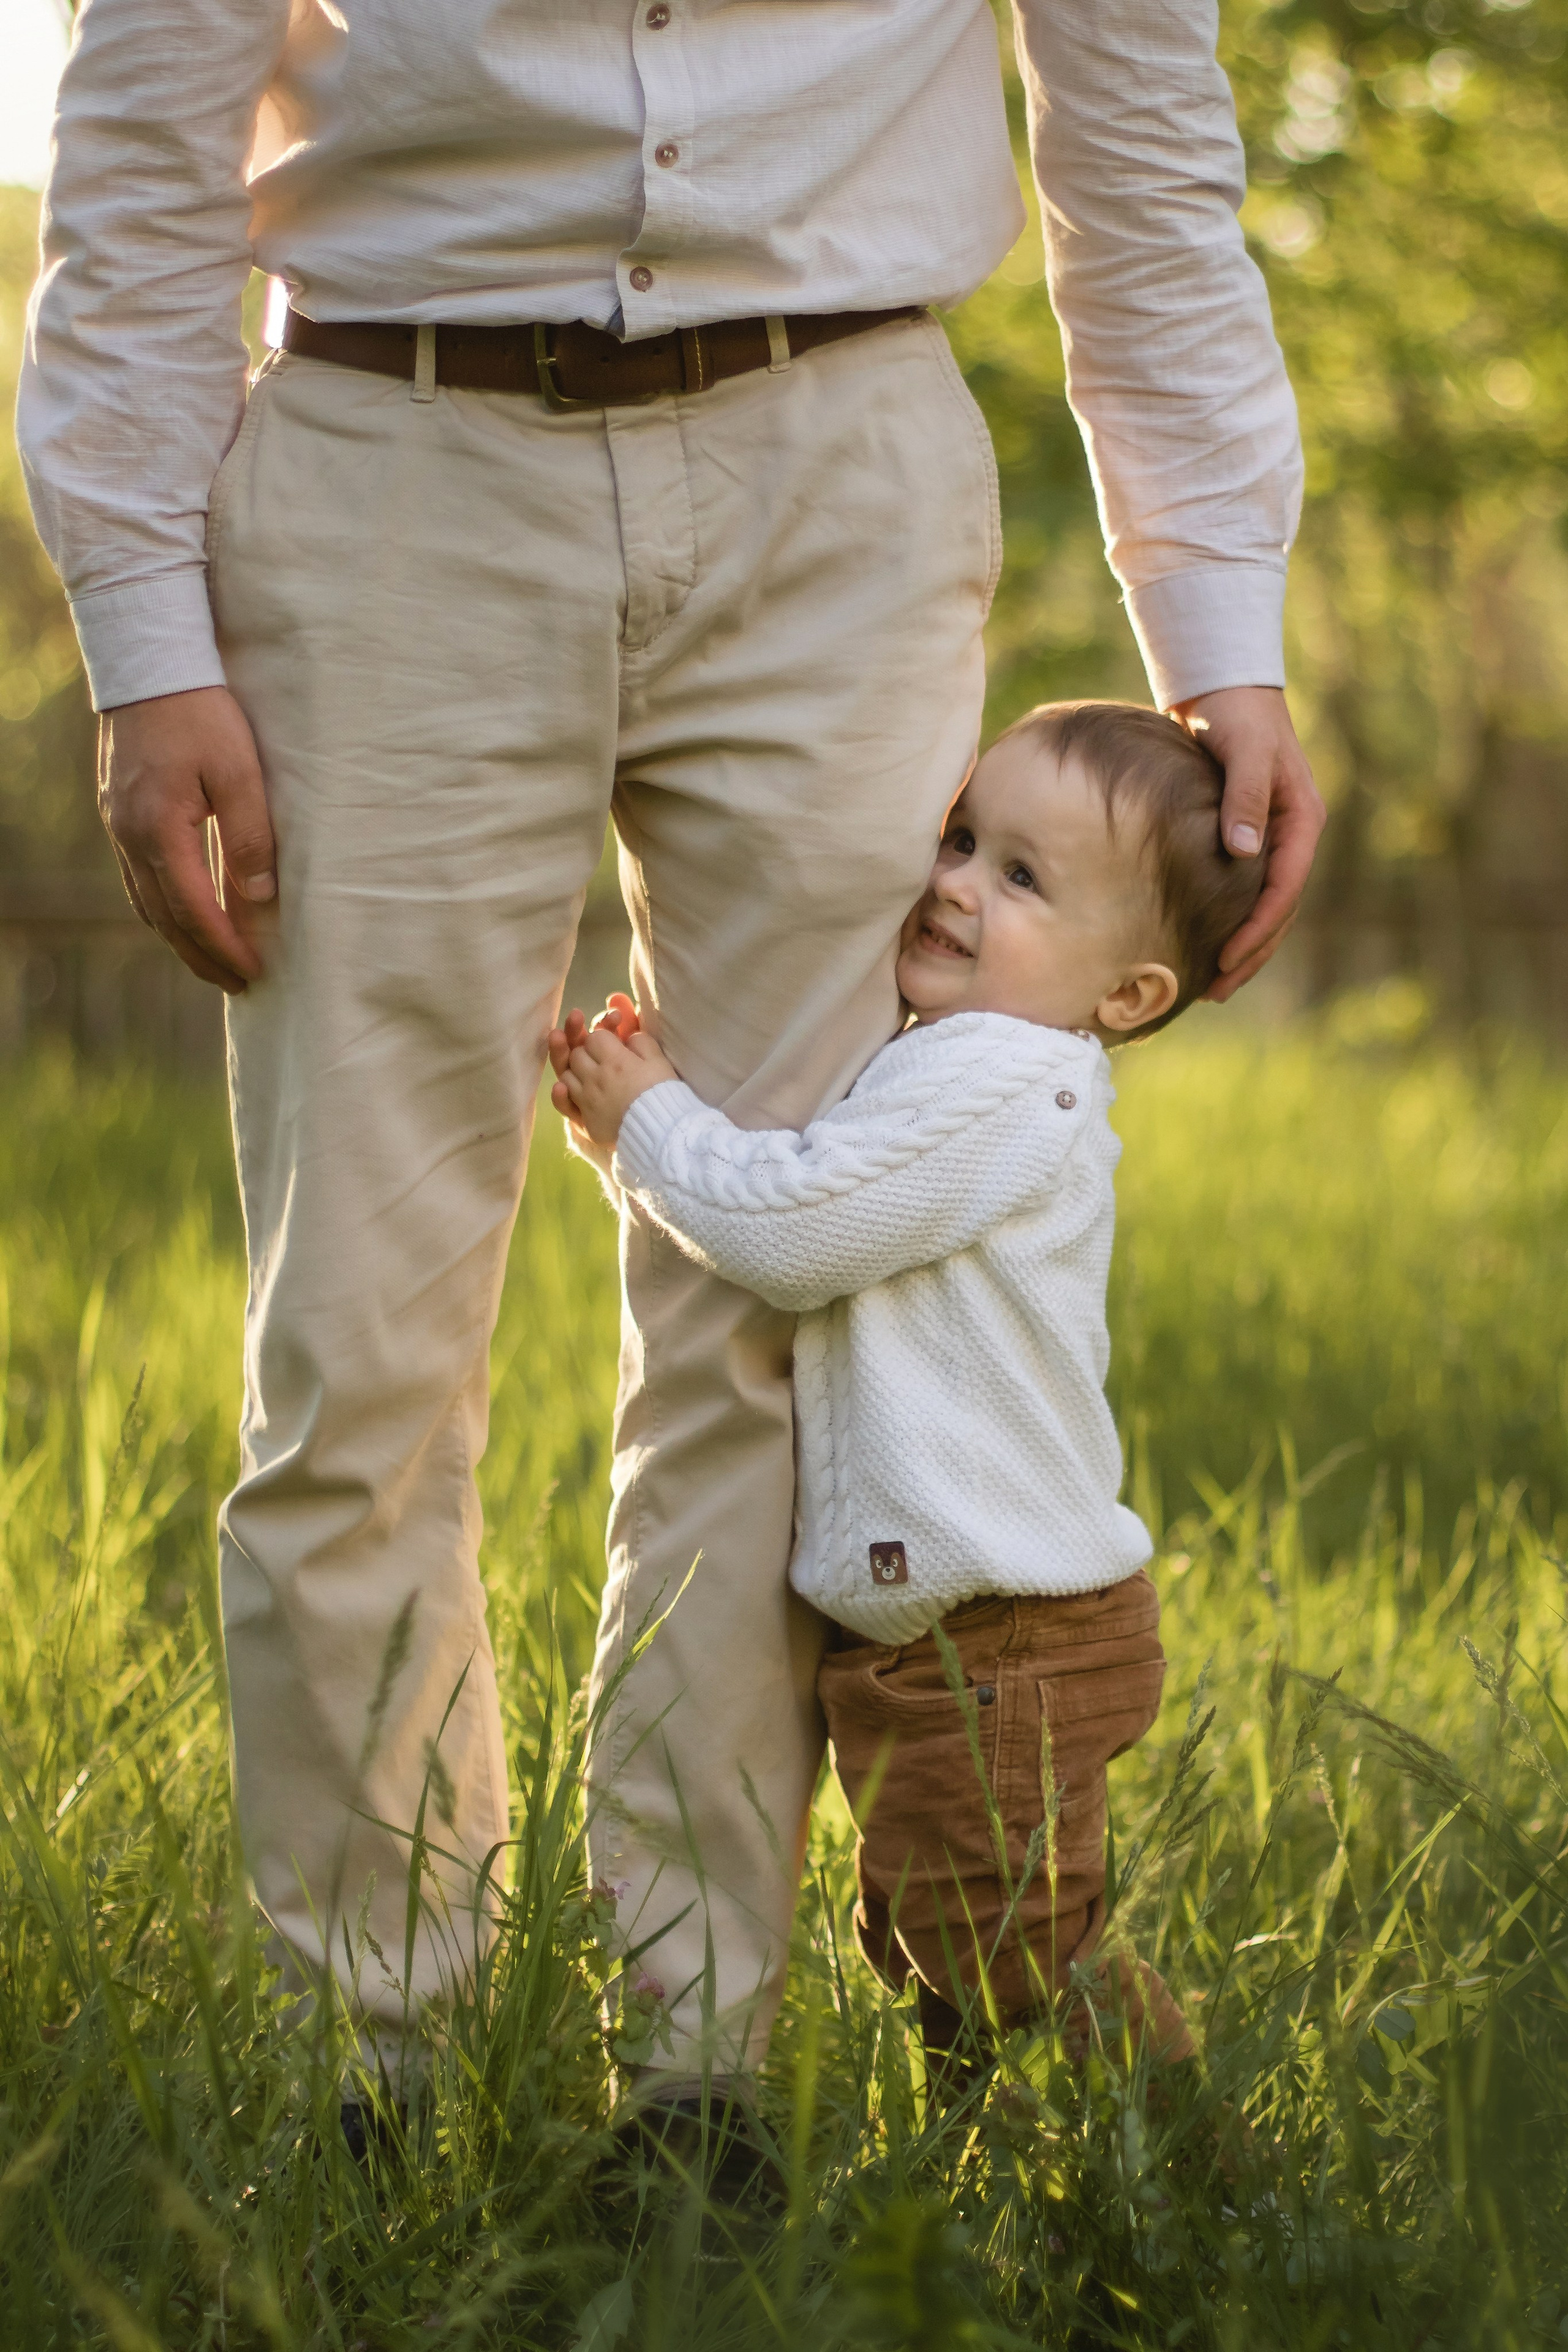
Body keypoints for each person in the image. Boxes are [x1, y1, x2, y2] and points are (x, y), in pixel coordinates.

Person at [17, 0, 1322, 2108]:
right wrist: (144, 627)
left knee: (760, 1341)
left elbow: (1140, 116)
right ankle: (374, 2076)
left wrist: (1222, 621)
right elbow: (145, 122)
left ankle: (696, 2086)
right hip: (384, 466)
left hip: (840, 471)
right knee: (352, 1355)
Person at [551, 701, 1258, 2091]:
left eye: (1019, 877)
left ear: (1124, 998)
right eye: (958, 837)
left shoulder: (1004, 1082)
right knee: (943, 1936)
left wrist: (648, 1127)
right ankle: (1006, 2171)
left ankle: (1176, 2171)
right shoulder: (950, 1062)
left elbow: (797, 1231)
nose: (951, 883)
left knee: (1008, 1951)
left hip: (1002, 1642)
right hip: (959, 1640)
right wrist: (637, 1148)